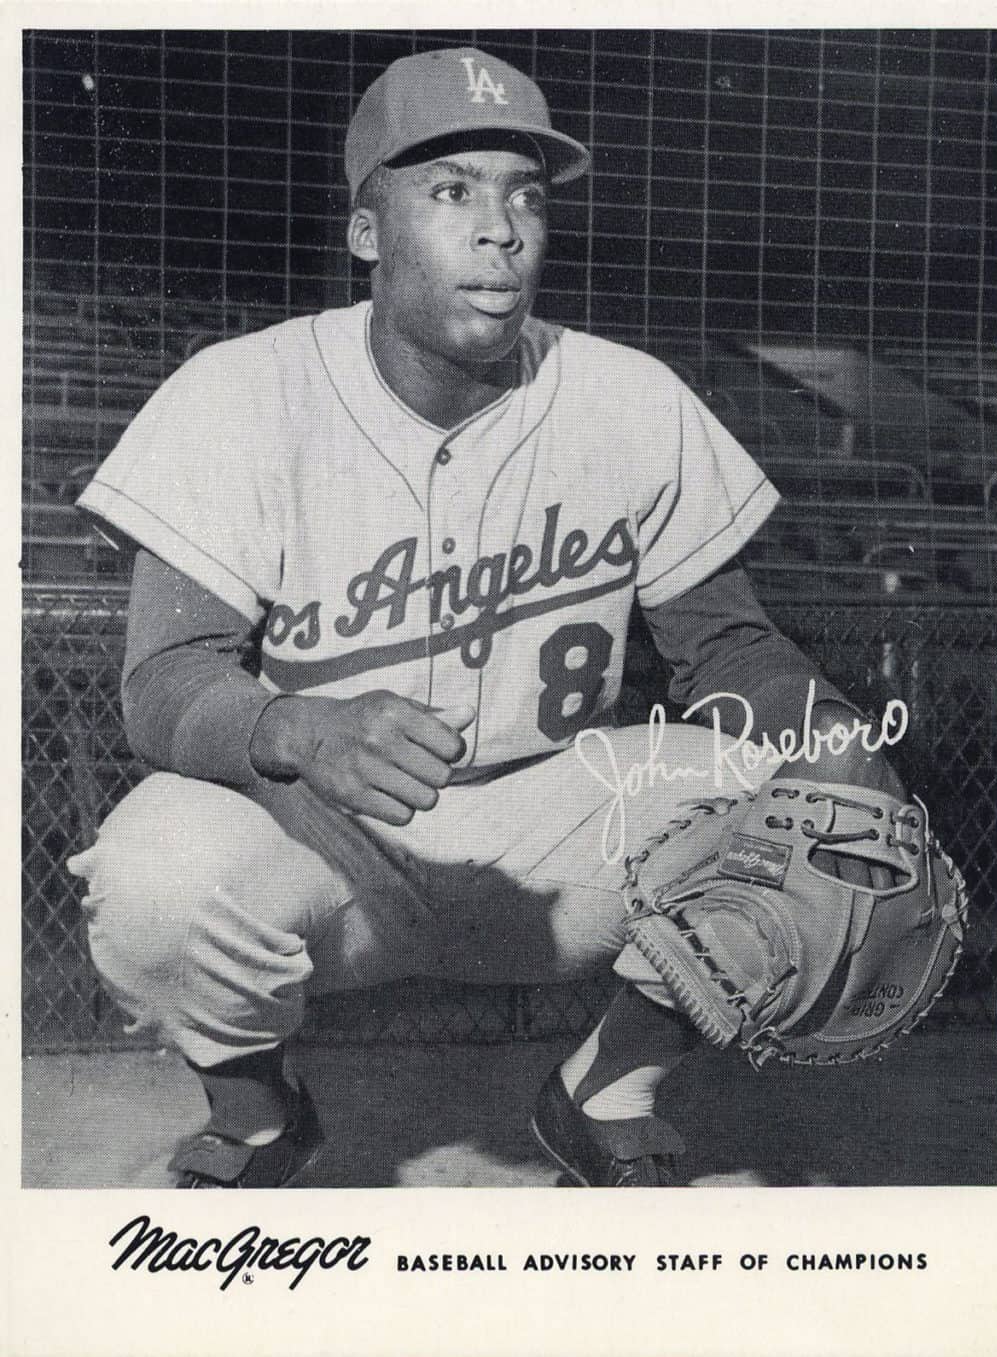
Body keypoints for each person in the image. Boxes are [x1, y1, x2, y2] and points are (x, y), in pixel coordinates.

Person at [68, 46, 902, 1188]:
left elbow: (730, 647)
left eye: (524, 194)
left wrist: (835, 738)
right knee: (153, 867)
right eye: (450, 190)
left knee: (816, 804)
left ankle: (606, 1089)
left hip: (564, 827)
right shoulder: (238, 393)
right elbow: (165, 681)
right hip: (329, 841)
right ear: (368, 234)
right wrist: (297, 729)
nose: (500, 228)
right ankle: (260, 1115)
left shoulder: (628, 396)